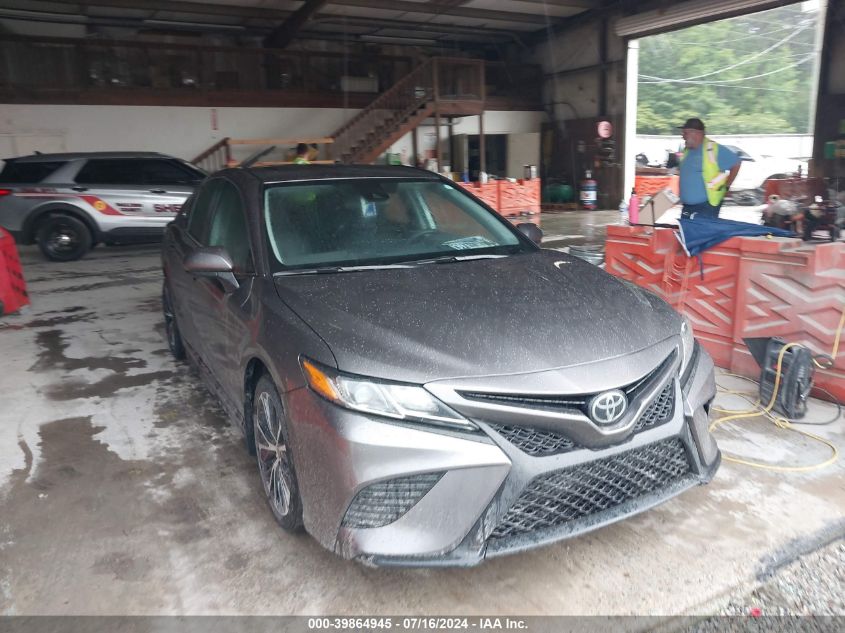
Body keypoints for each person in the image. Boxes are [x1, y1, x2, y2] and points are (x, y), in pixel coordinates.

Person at [677, 118, 741, 219]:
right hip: (687, 207)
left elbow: (736, 163)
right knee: (687, 233)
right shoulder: (688, 151)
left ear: (696, 133)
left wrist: (727, 186)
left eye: (685, 133)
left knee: (702, 233)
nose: (683, 136)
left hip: (706, 207)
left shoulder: (712, 149)